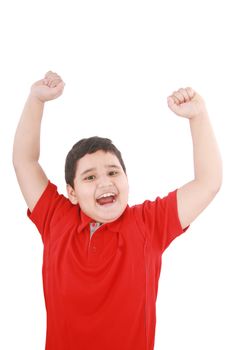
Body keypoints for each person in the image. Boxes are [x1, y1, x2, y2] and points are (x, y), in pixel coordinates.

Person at [12, 71, 222, 350]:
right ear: (71, 192)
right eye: (89, 177)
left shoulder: (148, 223)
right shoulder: (56, 217)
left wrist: (199, 116)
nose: (105, 182)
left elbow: (208, 183)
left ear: (126, 179)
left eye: (113, 172)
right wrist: (36, 99)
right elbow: (24, 161)